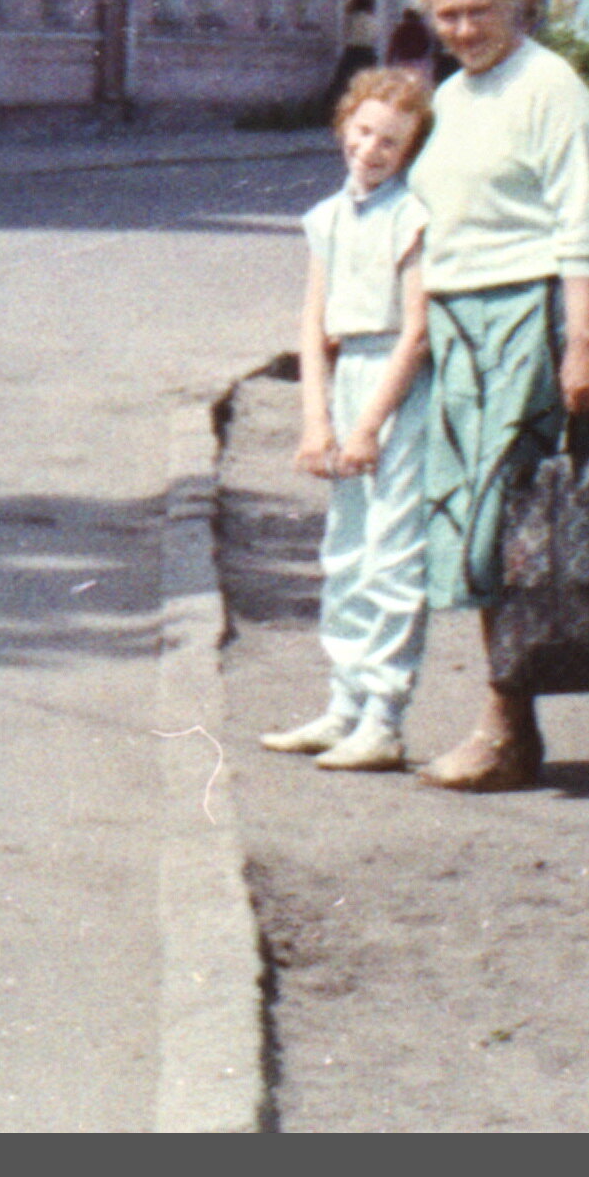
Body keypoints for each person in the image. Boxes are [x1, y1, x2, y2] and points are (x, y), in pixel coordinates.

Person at [402, 0, 589, 792]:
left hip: (525, 320)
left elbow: (583, 221)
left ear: (516, 3)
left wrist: (583, 345)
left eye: (478, 11)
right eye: (446, 15)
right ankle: (510, 727)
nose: (462, 30)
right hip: (459, 327)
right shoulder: (452, 96)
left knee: (502, 527)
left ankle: (506, 730)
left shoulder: (551, 87)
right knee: (469, 529)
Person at [258, 64, 437, 774]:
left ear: (410, 150)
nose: (371, 150)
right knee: (346, 549)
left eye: (391, 142)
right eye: (363, 132)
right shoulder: (328, 218)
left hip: (399, 387)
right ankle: (344, 703)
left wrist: (368, 427)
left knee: (393, 552)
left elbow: (417, 331)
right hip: (349, 379)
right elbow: (313, 325)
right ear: (343, 128)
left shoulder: (411, 216)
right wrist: (317, 421)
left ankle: (384, 718)